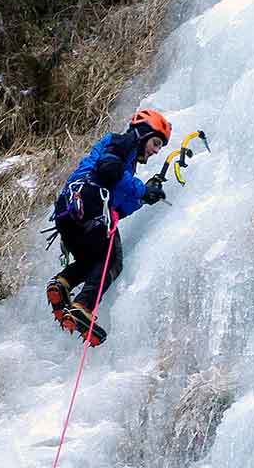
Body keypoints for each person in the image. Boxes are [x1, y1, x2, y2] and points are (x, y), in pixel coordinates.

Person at [46, 109, 171, 346]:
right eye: (155, 143)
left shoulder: (125, 158)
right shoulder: (123, 142)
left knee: (92, 262)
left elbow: (118, 206)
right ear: (142, 134)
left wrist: (144, 197)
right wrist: (142, 189)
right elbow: (108, 170)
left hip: (70, 214)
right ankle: (82, 306)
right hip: (90, 204)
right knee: (112, 262)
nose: (155, 150)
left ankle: (61, 284)